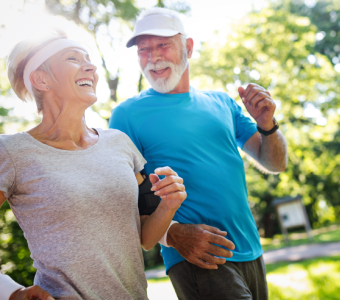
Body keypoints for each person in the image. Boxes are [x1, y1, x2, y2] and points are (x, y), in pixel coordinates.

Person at [109, 7, 288, 300]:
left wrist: (267, 125)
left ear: (188, 48)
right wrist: (175, 235)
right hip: (198, 256)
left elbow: (275, 162)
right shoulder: (126, 115)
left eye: (163, 45)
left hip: (251, 249)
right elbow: (124, 203)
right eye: (144, 50)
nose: (153, 57)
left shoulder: (221, 103)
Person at [0, 29, 186, 300]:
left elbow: (145, 238)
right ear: (41, 79)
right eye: (73, 58)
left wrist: (169, 205)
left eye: (88, 58)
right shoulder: (11, 151)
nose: (91, 66)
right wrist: (12, 292)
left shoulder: (119, 143)